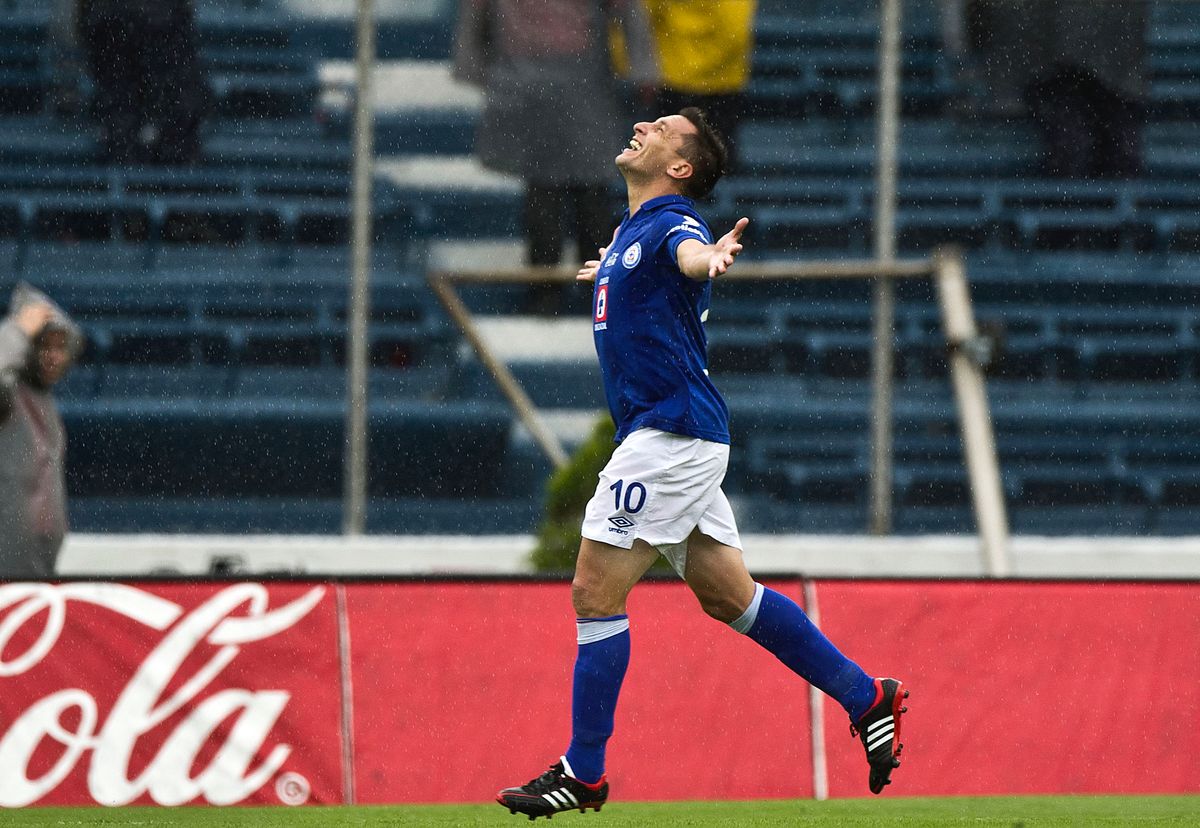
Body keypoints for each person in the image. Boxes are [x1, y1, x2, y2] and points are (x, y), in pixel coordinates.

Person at [495, 109, 908, 819]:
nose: (640, 124)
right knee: (729, 597)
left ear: (679, 168)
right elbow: (659, 277)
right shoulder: (631, 235)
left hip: (670, 436)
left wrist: (707, 259)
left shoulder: (673, 223)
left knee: (595, 591)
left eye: (660, 128)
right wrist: (613, 274)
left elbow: (689, 254)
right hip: (677, 434)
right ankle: (865, 695)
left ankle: (583, 772)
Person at [452, 0, 657, 312]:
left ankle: (582, 294)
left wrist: (643, 67)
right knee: (551, 191)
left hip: (579, 83)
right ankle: (556, 294)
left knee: (582, 194)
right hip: (536, 83)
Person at [0, 284, 83, 578]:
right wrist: (17, 330)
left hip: (38, 570)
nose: (54, 356)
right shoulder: (9, 396)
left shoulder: (45, 403)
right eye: (44, 345)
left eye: (61, 346)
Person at [79, 0, 210, 164]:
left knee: (174, 117)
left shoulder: (168, 27)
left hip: (151, 30)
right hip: (125, 29)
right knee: (121, 120)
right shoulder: (111, 23)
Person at [641, 0, 757, 168]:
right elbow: (735, 32)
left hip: (677, 82)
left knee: (667, 170)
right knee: (712, 172)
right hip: (716, 86)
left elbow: (644, 18)